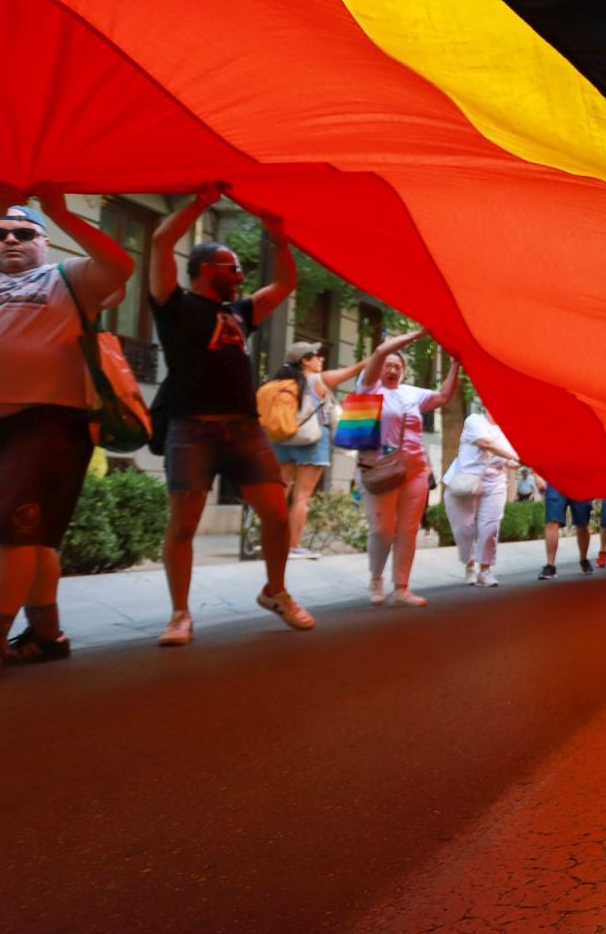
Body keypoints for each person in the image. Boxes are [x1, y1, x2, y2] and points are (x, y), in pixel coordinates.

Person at [0, 191, 133, 680]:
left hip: (48, 421)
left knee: (10, 532)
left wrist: (58, 210)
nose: (9, 238)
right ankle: (47, 635)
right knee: (30, 536)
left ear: (45, 242)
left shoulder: (70, 275)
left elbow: (118, 264)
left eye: (24, 232)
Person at [150, 194, 317, 645]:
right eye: (233, 267)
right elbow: (163, 240)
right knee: (183, 525)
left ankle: (275, 591)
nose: (241, 275)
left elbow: (283, 285)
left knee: (276, 514)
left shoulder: (239, 312)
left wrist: (280, 241)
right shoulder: (173, 304)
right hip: (191, 428)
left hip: (244, 429)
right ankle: (180, 615)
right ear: (207, 269)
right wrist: (203, 198)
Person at [356, 330, 455, 606]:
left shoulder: (411, 393)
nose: (392, 369)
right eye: (388, 365)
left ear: (404, 371)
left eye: (397, 366)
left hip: (415, 471)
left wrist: (456, 364)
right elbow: (377, 353)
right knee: (382, 530)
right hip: (379, 470)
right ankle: (376, 579)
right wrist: (422, 333)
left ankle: (401, 588)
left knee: (408, 530)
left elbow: (444, 396)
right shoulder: (368, 387)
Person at [269, 341, 370, 559]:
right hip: (312, 440)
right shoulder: (317, 380)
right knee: (302, 497)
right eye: (316, 355)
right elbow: (356, 368)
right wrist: (381, 352)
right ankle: (293, 546)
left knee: (279, 494)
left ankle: (273, 543)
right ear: (305, 360)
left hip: (282, 440)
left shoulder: (280, 382)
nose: (321, 359)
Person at [444, 397, 519, 587]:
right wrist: (516, 455)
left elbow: (508, 462)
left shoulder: (508, 430)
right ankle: (470, 565)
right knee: (464, 529)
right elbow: (487, 444)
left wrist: (524, 463)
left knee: (490, 527)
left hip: (494, 483)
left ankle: (485, 570)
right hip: (466, 481)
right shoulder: (474, 421)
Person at [540, 480, 594, 579]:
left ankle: (584, 559)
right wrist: (537, 476)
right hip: (555, 479)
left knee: (583, 523)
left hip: (579, 479)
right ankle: (550, 565)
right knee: (552, 520)